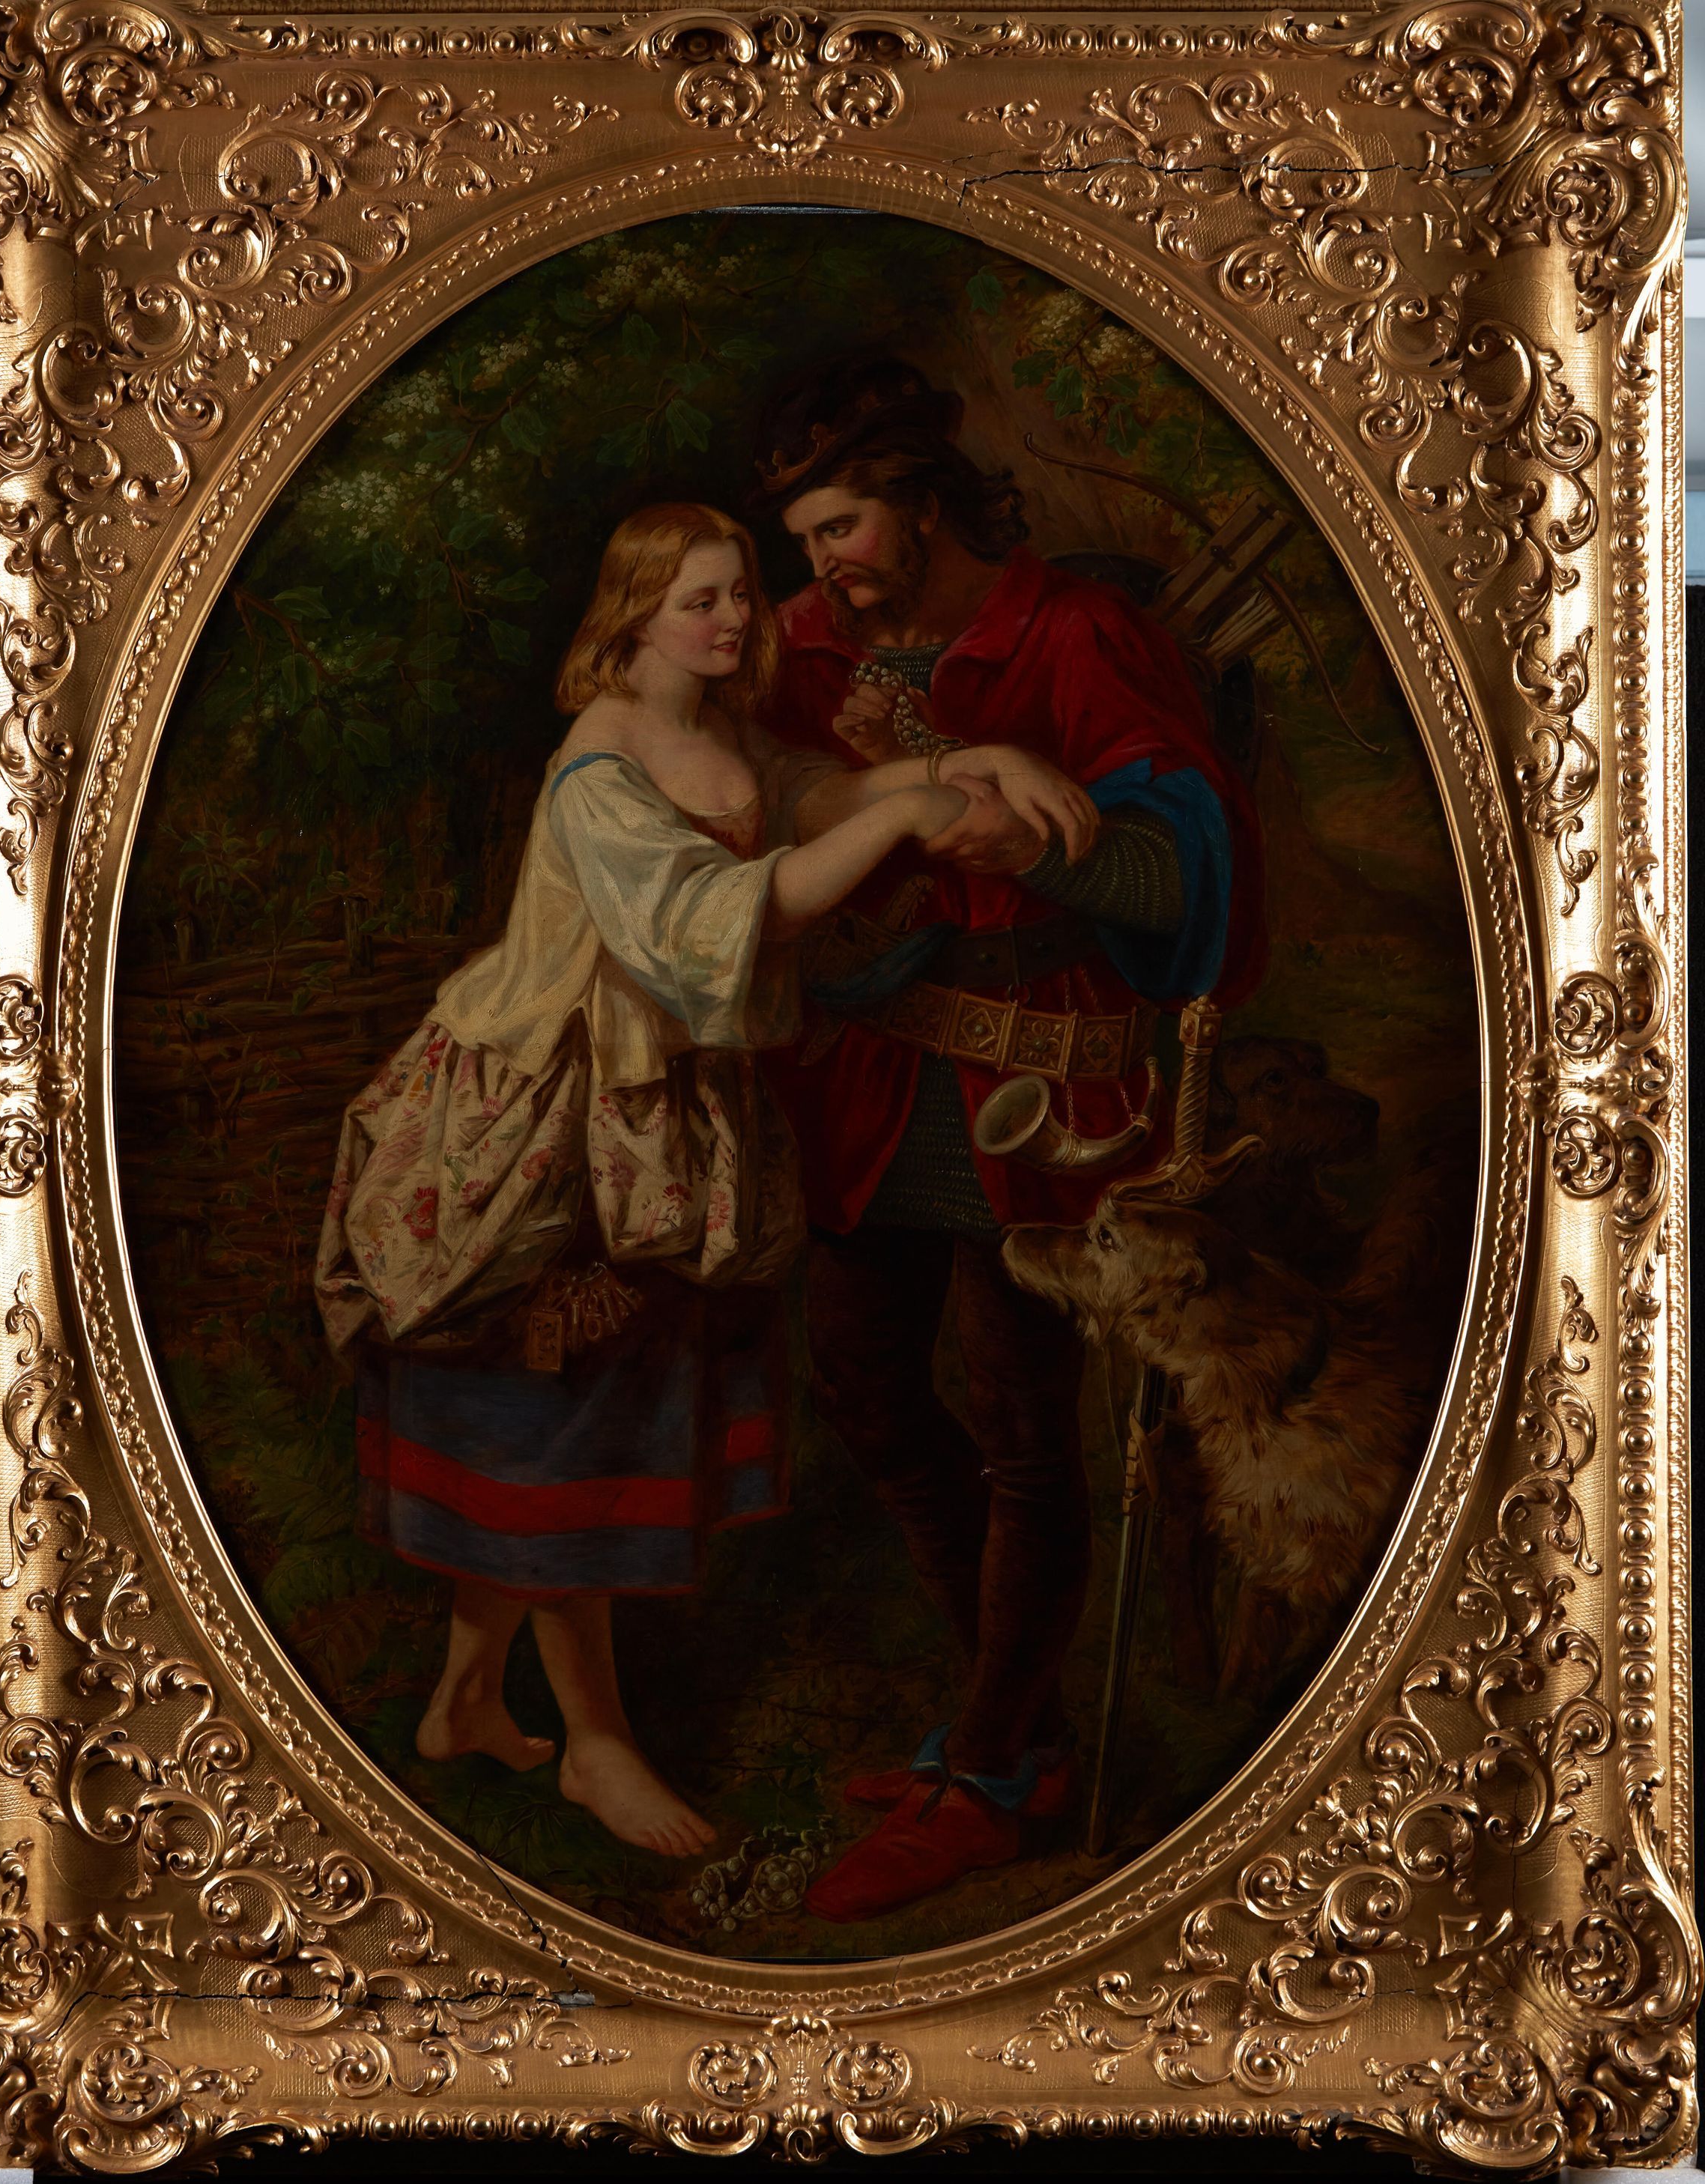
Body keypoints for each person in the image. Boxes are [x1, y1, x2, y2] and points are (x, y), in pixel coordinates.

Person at [314, 501, 1096, 1860]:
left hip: (650, 1114)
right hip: (550, 1117)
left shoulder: (711, 725)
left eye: (739, 592)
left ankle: (463, 1699)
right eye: (701, 601)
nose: (736, 618)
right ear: (633, 616)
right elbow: (712, 919)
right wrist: (912, 811)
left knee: (583, 1402)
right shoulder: (599, 767)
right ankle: (596, 1749)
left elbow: (803, 797)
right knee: (559, 1418)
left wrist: (958, 763)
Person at [751, 357, 1266, 1920]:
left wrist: (1038, 841)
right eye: (804, 540)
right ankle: (1017, 1724)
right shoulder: (802, 641)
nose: (820, 566)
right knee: (864, 1386)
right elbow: (741, 791)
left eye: (841, 527)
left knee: (1022, 1428)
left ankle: (985, 1775)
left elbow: (1184, 873)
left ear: (921, 503)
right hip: (872, 1080)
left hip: (1038, 1090)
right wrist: (896, 783)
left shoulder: (1073, 633)